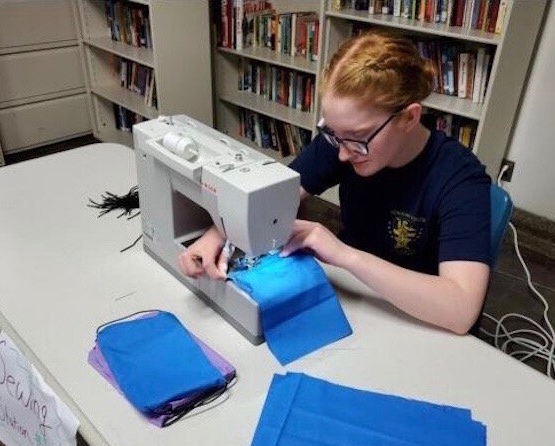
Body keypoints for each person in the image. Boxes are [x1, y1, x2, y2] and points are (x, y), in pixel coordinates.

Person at [178, 31, 491, 335]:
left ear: (409, 118)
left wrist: (344, 254)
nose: (342, 154)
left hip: (420, 321)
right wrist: (215, 235)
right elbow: (269, 198)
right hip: (356, 297)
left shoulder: (460, 179)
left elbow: (461, 310)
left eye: (356, 139)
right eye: (334, 135)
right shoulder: (345, 140)